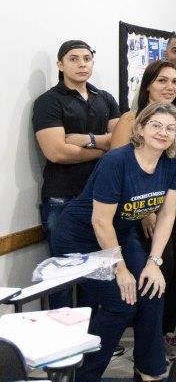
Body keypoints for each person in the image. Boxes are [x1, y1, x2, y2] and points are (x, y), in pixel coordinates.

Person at [51, 102, 176, 382]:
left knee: (152, 286)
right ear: (140, 128)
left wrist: (154, 262)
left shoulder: (175, 159)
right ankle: (82, 376)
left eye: (170, 128)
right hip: (80, 238)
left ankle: (149, 367)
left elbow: (167, 214)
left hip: (121, 233)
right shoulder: (116, 161)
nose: (163, 133)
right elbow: (100, 221)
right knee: (121, 301)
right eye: (156, 125)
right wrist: (120, 269)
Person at [108, 60, 176, 357]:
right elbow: (120, 166)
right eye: (162, 80)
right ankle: (148, 339)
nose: (170, 86)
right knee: (159, 264)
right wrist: (146, 211)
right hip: (151, 202)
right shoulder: (132, 118)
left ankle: (166, 333)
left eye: (175, 81)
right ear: (148, 84)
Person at [33, 40, 121, 246]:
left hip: (103, 194)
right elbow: (57, 153)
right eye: (73, 59)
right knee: (68, 262)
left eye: (87, 59)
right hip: (64, 197)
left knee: (106, 260)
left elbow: (121, 142)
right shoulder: (49, 101)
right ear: (60, 65)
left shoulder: (105, 98)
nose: (82, 64)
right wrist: (104, 149)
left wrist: (87, 140)